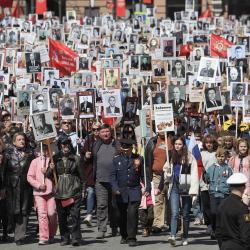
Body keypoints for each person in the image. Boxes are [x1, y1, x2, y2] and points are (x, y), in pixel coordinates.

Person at [110, 138, 150, 247]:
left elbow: (144, 176)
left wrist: (147, 188)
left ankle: (132, 237)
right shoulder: (116, 160)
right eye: (124, 149)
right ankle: (124, 234)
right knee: (120, 215)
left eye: (128, 149)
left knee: (132, 214)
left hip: (134, 190)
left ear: (131, 148)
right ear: (122, 149)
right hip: (121, 191)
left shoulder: (138, 159)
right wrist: (114, 188)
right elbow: (112, 176)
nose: (126, 151)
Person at [46, 136, 85, 246]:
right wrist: (50, 168)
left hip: (74, 189)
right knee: (62, 216)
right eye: (63, 144)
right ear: (59, 146)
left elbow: (82, 176)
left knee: (74, 215)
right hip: (60, 191)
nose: (65, 146)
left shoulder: (76, 158)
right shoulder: (54, 158)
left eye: (67, 143)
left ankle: (76, 238)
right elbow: (48, 176)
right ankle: (64, 238)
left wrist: (83, 190)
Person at [162, 136, 199, 246]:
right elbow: (166, 170)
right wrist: (167, 172)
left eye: (180, 144)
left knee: (186, 214)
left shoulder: (190, 157)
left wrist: (194, 190)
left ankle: (185, 236)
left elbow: (194, 174)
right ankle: (172, 235)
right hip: (174, 186)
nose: (177, 146)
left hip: (186, 187)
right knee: (174, 212)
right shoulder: (170, 156)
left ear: (183, 145)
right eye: (176, 144)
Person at [4, 132, 35, 245]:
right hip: (12, 186)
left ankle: (19, 236)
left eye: (23, 139)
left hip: (26, 186)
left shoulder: (30, 153)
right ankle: (11, 229)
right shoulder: (8, 153)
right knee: (13, 211)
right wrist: (3, 187)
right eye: (19, 139)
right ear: (13, 141)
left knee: (24, 210)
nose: (22, 141)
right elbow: (4, 171)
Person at [90, 124, 120, 238]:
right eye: (103, 132)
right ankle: (101, 229)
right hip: (100, 180)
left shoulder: (117, 144)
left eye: (107, 131)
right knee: (101, 205)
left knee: (114, 206)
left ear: (110, 132)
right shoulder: (96, 145)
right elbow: (90, 161)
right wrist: (86, 157)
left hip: (114, 181)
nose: (105, 134)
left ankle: (114, 227)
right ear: (100, 133)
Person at [27, 143, 57, 245]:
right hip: (39, 193)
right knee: (42, 214)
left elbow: (57, 176)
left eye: (46, 148)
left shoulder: (52, 161)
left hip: (51, 192)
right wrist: (39, 185)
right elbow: (29, 177)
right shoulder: (34, 161)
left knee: (52, 213)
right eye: (43, 148)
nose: (44, 150)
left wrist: (51, 170)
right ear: (39, 150)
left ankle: (52, 234)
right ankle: (43, 237)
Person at [145, 126, 173, 233]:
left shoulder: (172, 140)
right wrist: (149, 175)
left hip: (170, 175)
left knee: (170, 199)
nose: (161, 130)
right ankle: (158, 224)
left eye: (163, 128)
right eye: (159, 128)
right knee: (158, 199)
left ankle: (171, 222)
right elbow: (148, 160)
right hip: (156, 175)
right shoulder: (152, 142)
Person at [216, 173, 250, 250]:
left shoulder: (222, 204)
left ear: (230, 187)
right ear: (243, 187)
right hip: (239, 246)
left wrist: (222, 246)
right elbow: (246, 232)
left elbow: (218, 230)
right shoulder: (243, 208)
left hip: (225, 245)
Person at [204, 147, 233, 238]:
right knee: (214, 212)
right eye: (219, 156)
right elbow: (206, 179)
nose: (220, 158)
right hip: (214, 193)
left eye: (222, 156)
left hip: (224, 194)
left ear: (225, 157)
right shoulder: (211, 168)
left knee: (222, 213)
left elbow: (230, 180)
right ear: (216, 156)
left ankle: (220, 231)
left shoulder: (228, 168)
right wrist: (204, 175)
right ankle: (213, 229)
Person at [81, 122, 101, 226]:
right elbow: (82, 156)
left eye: (98, 129)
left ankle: (100, 216)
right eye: (94, 129)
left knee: (100, 195)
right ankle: (89, 215)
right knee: (91, 192)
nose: (96, 131)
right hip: (91, 172)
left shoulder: (104, 140)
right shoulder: (88, 140)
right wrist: (86, 156)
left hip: (102, 171)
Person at [200, 135, 218, 235]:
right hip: (204, 183)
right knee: (206, 206)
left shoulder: (216, 153)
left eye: (210, 142)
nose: (209, 144)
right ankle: (209, 225)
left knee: (214, 206)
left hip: (215, 184)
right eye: (207, 142)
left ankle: (214, 225)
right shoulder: (201, 153)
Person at [228, 138, 250, 206]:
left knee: (245, 207)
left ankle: (246, 217)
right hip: (235, 187)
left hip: (247, 187)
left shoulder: (249, 158)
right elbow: (230, 171)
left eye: (245, 146)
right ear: (238, 147)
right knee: (235, 207)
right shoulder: (234, 158)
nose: (243, 148)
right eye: (241, 146)